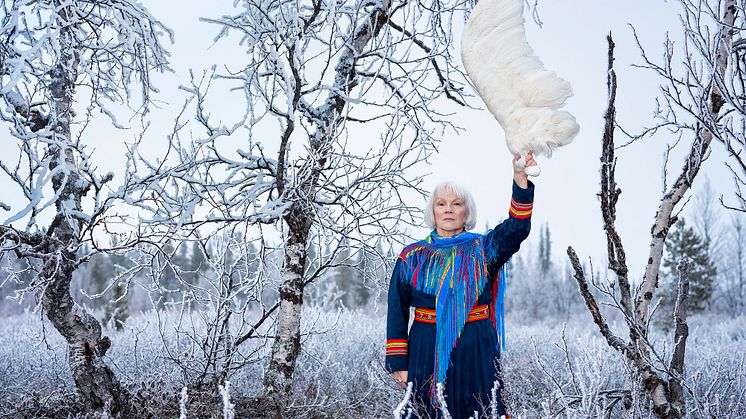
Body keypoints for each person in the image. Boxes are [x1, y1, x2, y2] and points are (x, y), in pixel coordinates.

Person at [385, 153, 536, 418]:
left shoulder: (485, 249)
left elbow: (517, 228)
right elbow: (397, 310)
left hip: (476, 346)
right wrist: (399, 362)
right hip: (425, 348)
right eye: (441, 204)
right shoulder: (412, 257)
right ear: (433, 210)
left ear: (467, 211)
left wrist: (519, 178)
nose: (448, 209)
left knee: (481, 408)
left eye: (457, 204)